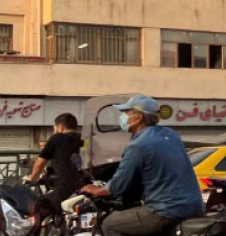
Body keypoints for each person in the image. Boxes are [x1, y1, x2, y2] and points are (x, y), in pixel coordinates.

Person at [79, 95, 204, 236]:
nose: (123, 117)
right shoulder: (170, 134)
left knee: (109, 224)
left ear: (138, 118)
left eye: (126, 113)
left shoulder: (139, 145)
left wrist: (97, 190)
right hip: (195, 206)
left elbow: (118, 186)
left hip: (165, 211)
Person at [24, 113, 83, 206]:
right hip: (83, 185)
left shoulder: (57, 138)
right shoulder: (83, 139)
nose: (54, 131)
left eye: (54, 128)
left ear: (60, 127)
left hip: (63, 187)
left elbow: (40, 163)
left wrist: (32, 178)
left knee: (39, 206)